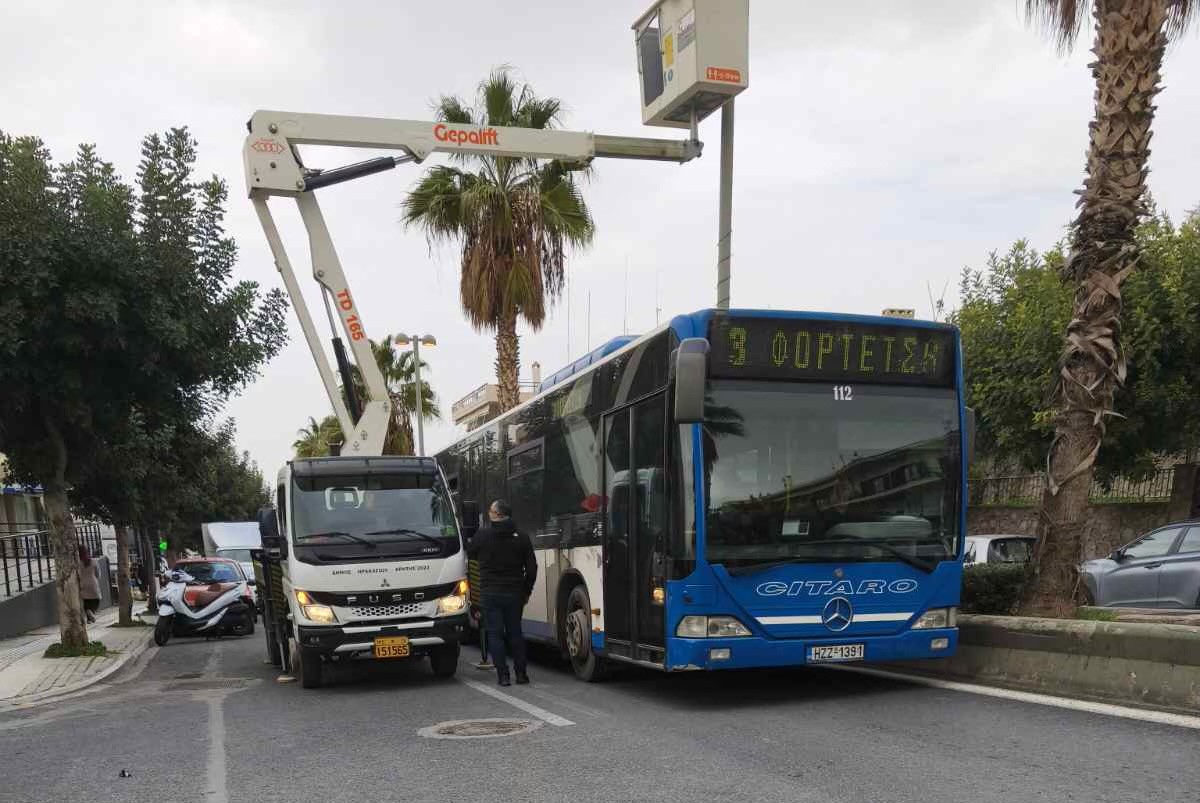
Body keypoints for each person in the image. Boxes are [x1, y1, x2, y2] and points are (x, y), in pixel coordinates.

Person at [467, 499, 536, 686]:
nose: (488, 513)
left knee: (495, 634)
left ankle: (503, 676)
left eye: (490, 511)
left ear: (497, 515)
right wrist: (526, 591)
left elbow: (471, 555)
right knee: (515, 632)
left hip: (490, 593)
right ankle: (521, 674)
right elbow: (532, 569)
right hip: (514, 593)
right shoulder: (522, 537)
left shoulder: (482, 536)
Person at [77, 544, 102, 624]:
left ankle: (89, 617)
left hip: (82, 584)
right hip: (93, 583)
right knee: (96, 600)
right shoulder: (94, 561)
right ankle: (91, 612)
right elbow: (98, 574)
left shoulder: (78, 563)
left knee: (86, 601)